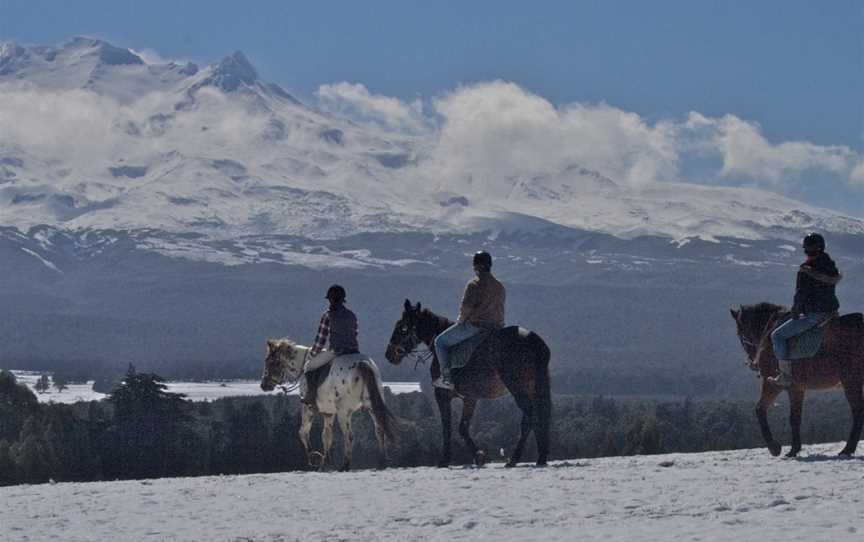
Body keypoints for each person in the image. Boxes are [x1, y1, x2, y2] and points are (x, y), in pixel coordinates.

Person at [768, 233, 842, 388]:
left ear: (807, 250)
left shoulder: (806, 269)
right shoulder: (831, 265)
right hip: (832, 314)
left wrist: (795, 311)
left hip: (814, 316)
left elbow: (800, 294)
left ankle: (785, 375)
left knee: (777, 336)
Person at [433, 251, 506, 389]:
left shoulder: (474, 284)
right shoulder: (500, 286)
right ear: (490, 265)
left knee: (440, 342)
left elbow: (466, 308)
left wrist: (460, 321)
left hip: (476, 326)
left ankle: (447, 379)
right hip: (497, 327)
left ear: (476, 266)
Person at [302, 284, 359, 406]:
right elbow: (355, 333)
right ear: (343, 300)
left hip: (337, 352)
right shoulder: (352, 315)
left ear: (331, 300)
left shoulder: (327, 315)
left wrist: (313, 354)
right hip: (354, 351)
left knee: (309, 367)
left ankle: (310, 397)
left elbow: (321, 340)